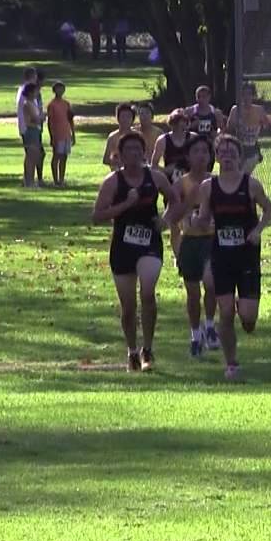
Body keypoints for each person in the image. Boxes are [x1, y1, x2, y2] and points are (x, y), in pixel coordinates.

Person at [190, 136, 271, 380]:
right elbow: (204, 218)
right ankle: (231, 364)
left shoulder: (251, 185)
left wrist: (257, 230)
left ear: (239, 157)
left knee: (248, 320)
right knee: (225, 312)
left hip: (247, 255)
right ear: (217, 157)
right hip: (222, 255)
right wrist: (194, 221)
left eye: (231, 153)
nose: (227, 156)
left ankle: (245, 307)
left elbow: (269, 210)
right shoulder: (208, 187)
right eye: (222, 152)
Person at [91, 132, 178, 372]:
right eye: (129, 150)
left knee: (148, 293)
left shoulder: (156, 178)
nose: (134, 154)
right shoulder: (113, 182)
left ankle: (148, 349)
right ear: (120, 154)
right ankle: (131, 351)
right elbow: (97, 215)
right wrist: (125, 205)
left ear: (143, 152)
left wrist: (166, 219)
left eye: (138, 150)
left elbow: (175, 200)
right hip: (122, 246)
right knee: (128, 306)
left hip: (149, 242)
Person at [169, 136, 219, 358]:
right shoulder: (180, 185)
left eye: (205, 152)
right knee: (192, 294)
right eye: (196, 151)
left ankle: (209, 325)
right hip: (189, 242)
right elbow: (173, 219)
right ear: (188, 156)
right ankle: (195, 335)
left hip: (211, 241)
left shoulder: (216, 183)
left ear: (210, 157)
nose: (201, 156)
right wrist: (176, 247)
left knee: (211, 283)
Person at [226, 82, 271, 175]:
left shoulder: (259, 110)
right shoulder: (235, 110)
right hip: (238, 147)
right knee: (237, 174)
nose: (246, 97)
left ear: (253, 95)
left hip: (252, 147)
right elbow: (229, 129)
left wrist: (262, 124)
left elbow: (266, 126)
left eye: (249, 94)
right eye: (243, 94)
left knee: (244, 174)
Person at [47, 82, 75, 188]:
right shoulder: (52, 105)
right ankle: (55, 180)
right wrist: (51, 136)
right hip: (57, 134)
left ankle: (61, 179)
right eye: (58, 89)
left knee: (64, 157)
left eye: (62, 89)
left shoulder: (66, 104)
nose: (61, 91)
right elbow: (49, 121)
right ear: (54, 91)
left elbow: (70, 119)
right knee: (56, 156)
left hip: (66, 133)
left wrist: (73, 134)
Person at [152, 110, 192, 181]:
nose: (179, 125)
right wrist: (165, 170)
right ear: (171, 124)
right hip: (170, 181)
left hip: (190, 180)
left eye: (183, 121)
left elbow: (203, 160)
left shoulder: (193, 137)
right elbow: (153, 166)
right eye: (176, 122)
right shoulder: (162, 140)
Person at [18, 82, 44, 188]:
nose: (37, 93)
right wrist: (40, 118)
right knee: (31, 157)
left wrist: (40, 118)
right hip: (31, 131)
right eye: (35, 91)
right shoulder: (27, 103)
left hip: (35, 130)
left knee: (35, 156)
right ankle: (29, 181)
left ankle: (31, 180)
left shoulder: (33, 103)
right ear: (29, 92)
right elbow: (35, 118)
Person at [102, 102, 137, 172]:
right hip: (117, 172)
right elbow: (105, 159)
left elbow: (144, 157)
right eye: (123, 116)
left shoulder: (137, 136)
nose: (125, 119)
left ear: (133, 119)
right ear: (118, 118)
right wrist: (116, 161)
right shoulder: (112, 137)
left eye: (128, 117)